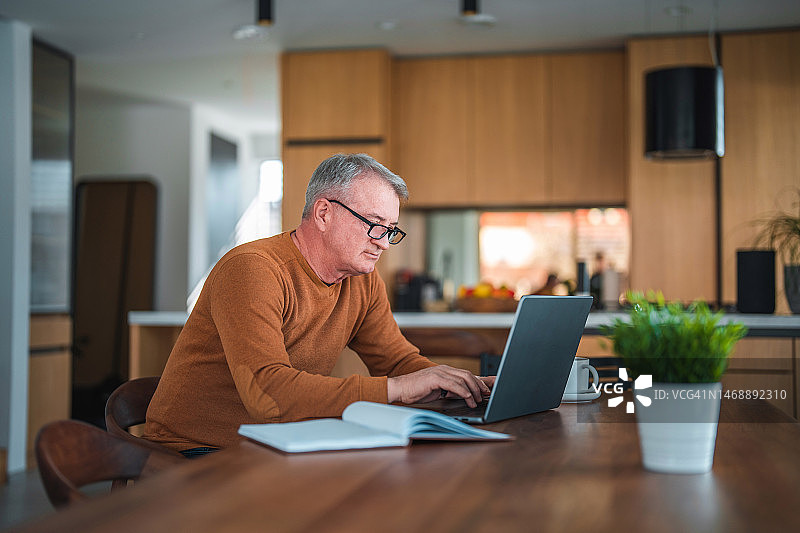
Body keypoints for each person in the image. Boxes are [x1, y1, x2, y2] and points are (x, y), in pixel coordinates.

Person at [144, 153, 494, 456]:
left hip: (276, 441)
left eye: (390, 230)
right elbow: (267, 394)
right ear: (324, 213)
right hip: (196, 450)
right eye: (374, 225)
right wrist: (399, 388)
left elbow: (398, 361)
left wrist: (465, 384)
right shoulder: (252, 269)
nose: (384, 244)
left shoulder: (363, 281)